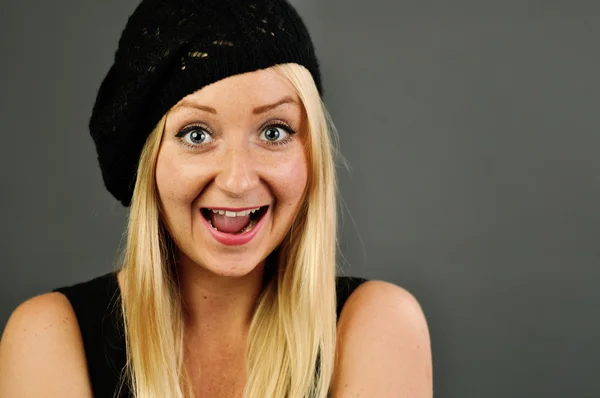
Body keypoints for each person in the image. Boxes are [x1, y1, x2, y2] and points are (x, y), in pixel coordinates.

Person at [0, 0, 432, 397]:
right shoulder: (50, 336)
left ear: (311, 152)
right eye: (196, 134)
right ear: (146, 161)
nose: (239, 180)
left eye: (274, 131)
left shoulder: (381, 327)